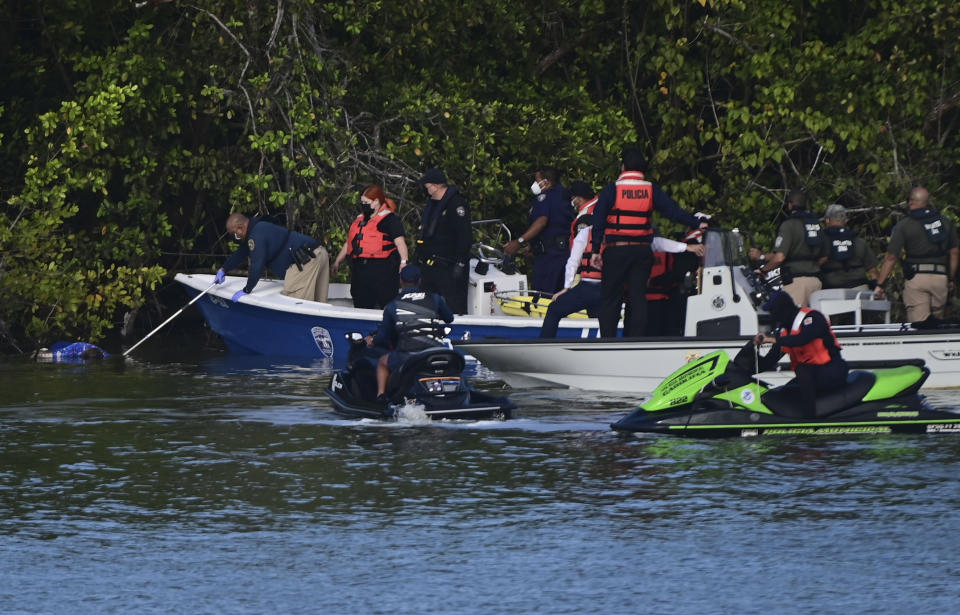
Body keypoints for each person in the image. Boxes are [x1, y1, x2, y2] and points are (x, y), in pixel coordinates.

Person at [589, 147, 705, 337]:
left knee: (611, 298)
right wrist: (697, 222)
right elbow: (673, 212)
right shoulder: (651, 189)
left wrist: (595, 250)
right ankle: (636, 340)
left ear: (623, 167)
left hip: (616, 251)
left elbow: (599, 220)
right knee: (638, 297)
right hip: (642, 253)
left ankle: (607, 341)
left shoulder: (613, 189)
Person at [365, 265, 455, 402]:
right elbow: (449, 318)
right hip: (434, 351)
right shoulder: (435, 298)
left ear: (401, 281)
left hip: (408, 355)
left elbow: (383, 336)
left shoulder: (392, 305)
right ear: (420, 281)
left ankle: (380, 396)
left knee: (382, 362)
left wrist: (372, 341)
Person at [752, 290, 848, 418]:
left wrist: (771, 339)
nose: (772, 315)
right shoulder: (785, 331)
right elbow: (771, 359)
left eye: (773, 311)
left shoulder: (812, 318)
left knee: (803, 369)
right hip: (815, 376)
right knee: (784, 392)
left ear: (782, 309)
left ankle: (810, 421)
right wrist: (749, 361)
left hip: (833, 371)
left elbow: (803, 338)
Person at [874, 186, 960, 322]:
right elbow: (955, 253)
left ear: (912, 202)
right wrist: (950, 279)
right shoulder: (945, 222)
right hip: (940, 279)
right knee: (938, 325)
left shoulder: (905, 225)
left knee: (920, 325)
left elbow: (891, 257)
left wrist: (880, 284)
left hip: (917, 278)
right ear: (928, 201)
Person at [215, 213, 330, 303]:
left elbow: (257, 265)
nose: (235, 238)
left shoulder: (255, 235)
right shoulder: (259, 227)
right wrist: (223, 269)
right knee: (319, 305)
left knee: (295, 306)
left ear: (240, 227)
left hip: (306, 262)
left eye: (234, 234)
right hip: (319, 254)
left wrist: (247, 290)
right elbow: (241, 253)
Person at [332, 185, 409, 309]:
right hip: (360, 271)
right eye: (362, 202)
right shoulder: (360, 220)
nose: (363, 205)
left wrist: (404, 262)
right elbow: (350, 242)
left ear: (376, 202)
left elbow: (400, 242)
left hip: (383, 270)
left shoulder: (390, 220)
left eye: (366, 202)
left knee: (385, 303)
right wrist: (337, 261)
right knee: (360, 301)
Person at [504, 166, 575, 294]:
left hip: (550, 258)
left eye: (537, 181)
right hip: (566, 254)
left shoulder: (544, 198)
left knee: (542, 296)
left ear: (546, 182)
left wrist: (519, 241)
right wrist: (534, 245)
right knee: (560, 295)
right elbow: (557, 223)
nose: (535, 184)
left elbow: (541, 222)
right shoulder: (564, 194)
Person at [749, 189, 826, 308]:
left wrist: (763, 270)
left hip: (797, 283)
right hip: (816, 282)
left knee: (794, 320)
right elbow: (824, 256)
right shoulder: (816, 225)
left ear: (790, 204)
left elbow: (780, 257)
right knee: (811, 320)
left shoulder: (789, 225)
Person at [415, 168, 472, 314]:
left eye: (427, 186)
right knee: (424, 303)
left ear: (435, 186)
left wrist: (460, 262)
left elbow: (464, 236)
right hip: (431, 264)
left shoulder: (456, 204)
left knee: (455, 304)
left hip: (449, 265)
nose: (426, 189)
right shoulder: (432, 204)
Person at [818, 204, 878, 291]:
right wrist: (878, 287)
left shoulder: (821, 242)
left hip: (831, 290)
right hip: (859, 288)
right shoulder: (858, 241)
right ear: (846, 220)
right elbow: (873, 272)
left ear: (827, 220)